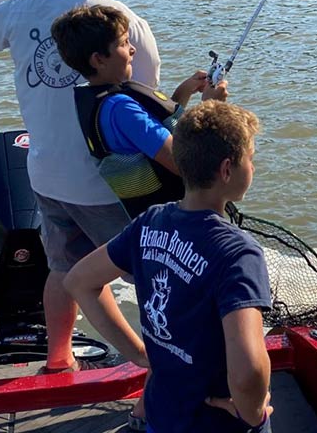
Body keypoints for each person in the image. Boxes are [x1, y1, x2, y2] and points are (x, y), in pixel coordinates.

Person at [0, 0, 161, 374]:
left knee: (63, 267)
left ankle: (58, 359)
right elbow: (148, 98)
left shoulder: (24, 7)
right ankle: (158, 362)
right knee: (152, 275)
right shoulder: (125, 21)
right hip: (106, 183)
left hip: (46, 175)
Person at [65, 101, 273, 433]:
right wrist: (254, 413)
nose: (254, 167)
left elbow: (79, 281)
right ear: (227, 170)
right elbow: (248, 371)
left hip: (162, 413)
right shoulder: (238, 253)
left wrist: (141, 354)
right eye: (251, 159)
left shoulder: (151, 222)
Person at [50, 4, 219, 217]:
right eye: (123, 43)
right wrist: (212, 107)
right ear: (98, 60)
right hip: (179, 220)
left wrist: (184, 91)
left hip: (150, 222)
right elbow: (187, 165)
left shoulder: (97, 100)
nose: (133, 49)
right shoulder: (122, 110)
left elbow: (155, 132)